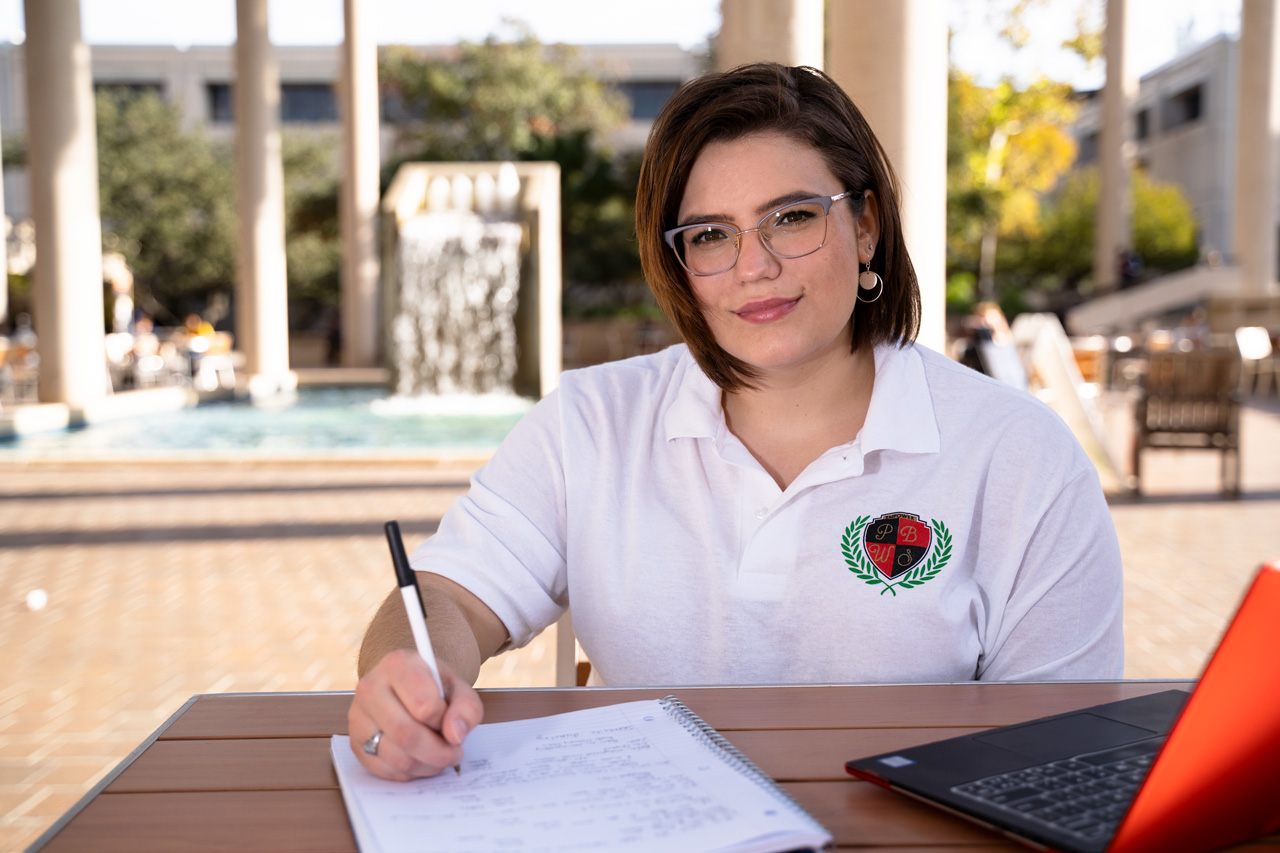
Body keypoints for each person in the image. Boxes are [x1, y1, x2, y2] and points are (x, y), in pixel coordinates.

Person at [348, 63, 1124, 782]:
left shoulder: (1021, 457)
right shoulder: (588, 424)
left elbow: (1063, 749)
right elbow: (446, 596)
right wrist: (413, 673)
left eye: (792, 218)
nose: (754, 266)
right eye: (712, 234)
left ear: (866, 226)